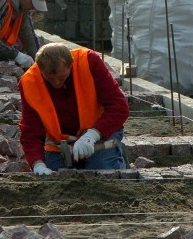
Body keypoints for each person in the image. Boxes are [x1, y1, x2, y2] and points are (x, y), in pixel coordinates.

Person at [19, 43, 130, 175]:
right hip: (60, 144)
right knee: (53, 180)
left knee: (100, 172)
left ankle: (115, 155)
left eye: (61, 77)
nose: (56, 83)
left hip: (102, 132)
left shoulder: (89, 62)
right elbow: (30, 131)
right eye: (49, 79)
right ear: (40, 70)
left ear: (70, 64)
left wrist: (92, 135)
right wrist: (38, 164)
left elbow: (119, 106)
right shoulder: (29, 82)